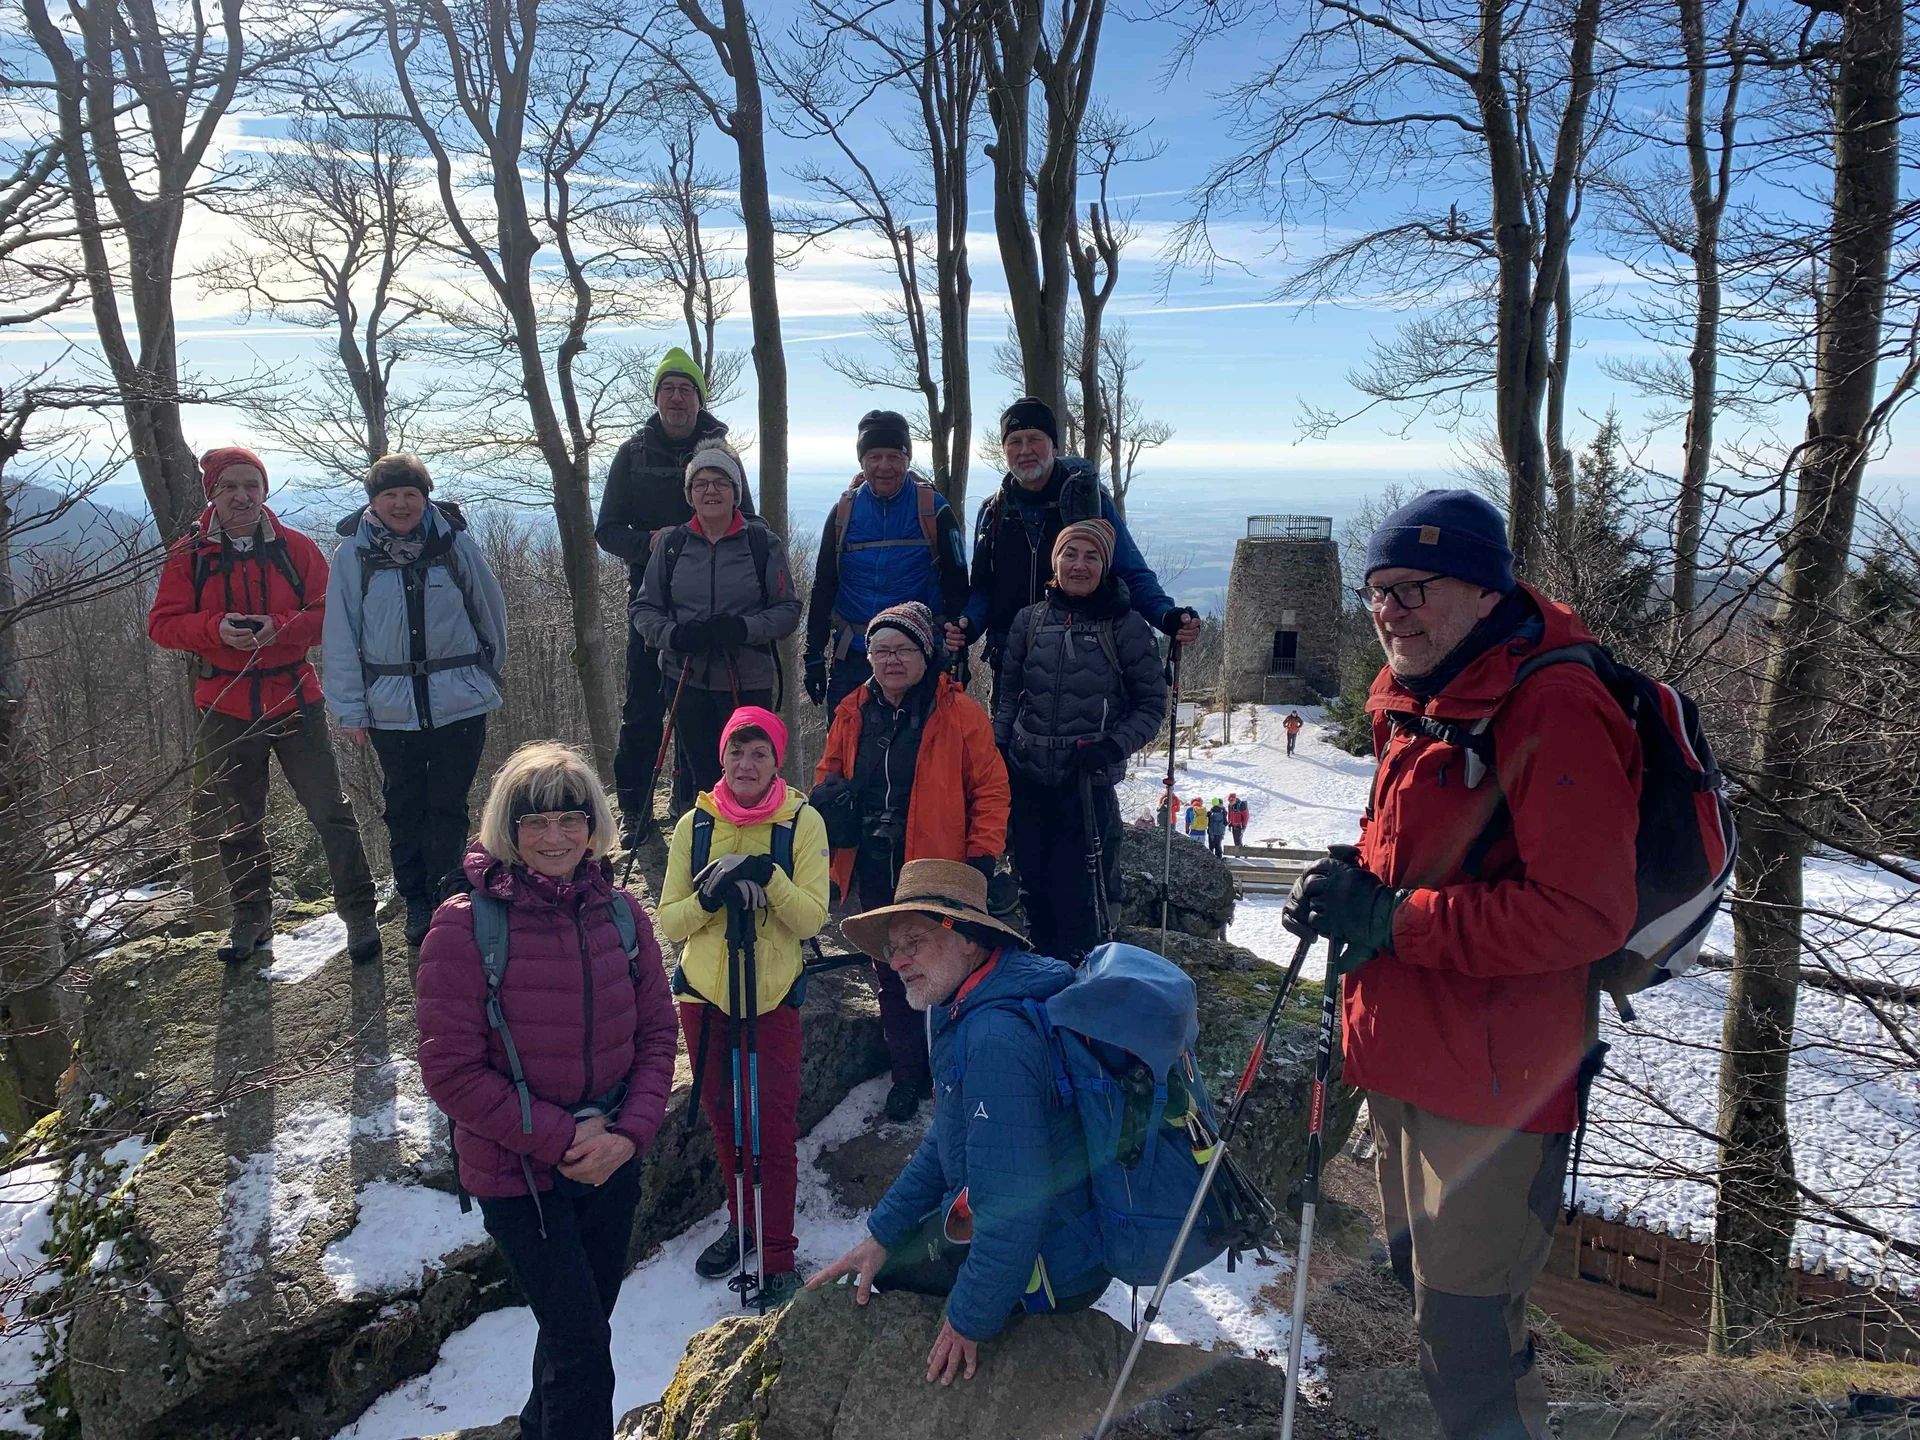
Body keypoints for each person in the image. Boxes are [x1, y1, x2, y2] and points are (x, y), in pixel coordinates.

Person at [1283, 490, 1641, 1440]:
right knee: (1422, 1283)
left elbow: (1585, 913)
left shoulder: (1553, 706)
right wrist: (1352, 880)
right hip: (1410, 1054)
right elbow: (1424, 851)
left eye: (1414, 589)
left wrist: (1394, 923)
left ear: (1486, 592)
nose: (1390, 610)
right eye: (1376, 592)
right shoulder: (1419, 693)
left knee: (1467, 1335)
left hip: (1497, 1083)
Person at [415, 742, 677, 1440]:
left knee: (577, 1331)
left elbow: (658, 1033)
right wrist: (564, 1138)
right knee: (585, 1347)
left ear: (593, 826)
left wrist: (627, 1136)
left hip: (611, 1166)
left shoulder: (622, 914)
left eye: (570, 819)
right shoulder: (465, 925)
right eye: (535, 823)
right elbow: (451, 1072)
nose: (555, 837)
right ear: (509, 829)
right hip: (517, 1176)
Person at [806, 859, 1110, 1382]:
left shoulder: (994, 1038)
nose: (898, 961)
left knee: (898, 1277)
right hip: (1034, 1223)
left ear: (968, 940)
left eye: (914, 942)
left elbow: (1013, 1206)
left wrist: (969, 1320)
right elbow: (948, 1139)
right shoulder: (970, 1002)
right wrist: (881, 1232)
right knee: (892, 1257)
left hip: (1058, 1259)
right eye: (892, 948)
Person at [148, 446, 380, 966]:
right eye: (230, 486)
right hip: (224, 701)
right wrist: (215, 631)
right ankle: (251, 917)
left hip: (295, 697)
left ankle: (359, 913)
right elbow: (161, 625)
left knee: (329, 811)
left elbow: (331, 616)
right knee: (238, 818)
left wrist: (279, 627)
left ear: (264, 491)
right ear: (213, 492)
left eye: (251, 485)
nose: (242, 496)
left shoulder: (294, 548)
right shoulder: (190, 553)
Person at [657, 707, 830, 1306]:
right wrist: (711, 894)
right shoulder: (694, 826)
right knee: (727, 1122)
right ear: (721, 757)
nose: (746, 764)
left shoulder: (802, 822)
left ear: (778, 760)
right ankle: (744, 1226)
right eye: (736, 751)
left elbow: (812, 917)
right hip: (703, 995)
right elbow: (669, 920)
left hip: (773, 996)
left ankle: (778, 1254)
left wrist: (769, 878)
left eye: (759, 753)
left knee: (773, 1130)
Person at [812, 602, 1010, 1121]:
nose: (890, 659)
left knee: (950, 972)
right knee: (893, 971)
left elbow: (990, 790)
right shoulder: (853, 710)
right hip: (876, 865)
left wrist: (982, 858)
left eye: (902, 649)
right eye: (880, 649)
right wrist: (829, 801)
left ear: (926, 654)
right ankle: (907, 1076)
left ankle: (956, 1076)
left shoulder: (959, 712)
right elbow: (829, 770)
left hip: (940, 869)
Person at [322, 454, 509, 947]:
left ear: (425, 498)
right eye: (389, 495)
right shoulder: (353, 554)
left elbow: (490, 609)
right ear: (374, 502)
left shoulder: (453, 543)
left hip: (460, 699)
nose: (401, 504)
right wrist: (351, 709)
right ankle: (415, 902)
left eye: (410, 494)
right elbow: (341, 635)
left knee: (449, 801)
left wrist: (487, 672)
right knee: (403, 804)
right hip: (389, 706)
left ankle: (447, 894)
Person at [595, 349, 757, 847]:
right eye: (668, 388)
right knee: (643, 708)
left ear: (698, 398)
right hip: (652, 599)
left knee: (706, 709)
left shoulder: (723, 455)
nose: (677, 397)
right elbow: (606, 530)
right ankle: (634, 811)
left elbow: (750, 521)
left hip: (717, 604)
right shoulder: (632, 453)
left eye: (686, 388)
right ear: (657, 397)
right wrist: (651, 541)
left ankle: (705, 805)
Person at [993, 520, 1167, 964]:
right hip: (1027, 778)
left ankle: (1084, 984)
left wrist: (1112, 746)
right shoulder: (1027, 622)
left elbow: (1151, 705)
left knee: (1086, 894)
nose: (1079, 565)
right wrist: (997, 753)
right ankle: (1039, 978)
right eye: (1070, 554)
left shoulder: (1125, 627)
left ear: (1106, 566)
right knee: (1032, 888)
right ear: (1056, 561)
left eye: (1091, 556)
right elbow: (1008, 698)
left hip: (1086, 784)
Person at [944, 398, 1200, 695]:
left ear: (1054, 446)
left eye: (1035, 439)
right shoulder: (993, 510)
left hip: (1083, 661)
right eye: (1014, 441)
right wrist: (968, 625)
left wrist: (1165, 615)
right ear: (1004, 451)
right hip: (1012, 663)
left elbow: (1131, 572)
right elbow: (984, 587)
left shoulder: (1089, 501)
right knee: (1005, 742)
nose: (1025, 450)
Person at [631, 445, 800, 809]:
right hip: (686, 680)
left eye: (721, 483)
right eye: (701, 483)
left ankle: (756, 853)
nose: (711, 491)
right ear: (690, 495)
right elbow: (644, 609)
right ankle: (706, 854)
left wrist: (743, 628)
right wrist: (674, 636)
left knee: (751, 773)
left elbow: (788, 610)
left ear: (736, 493)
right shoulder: (672, 545)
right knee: (702, 778)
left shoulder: (761, 544)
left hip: (748, 680)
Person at [804, 411, 969, 714]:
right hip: (853, 657)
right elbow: (824, 586)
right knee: (847, 756)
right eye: (874, 456)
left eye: (894, 456)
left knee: (921, 758)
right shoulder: (843, 513)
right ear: (861, 461)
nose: (884, 467)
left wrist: (960, 655)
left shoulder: (935, 510)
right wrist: (812, 654)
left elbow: (957, 587)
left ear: (907, 460)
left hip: (918, 657)